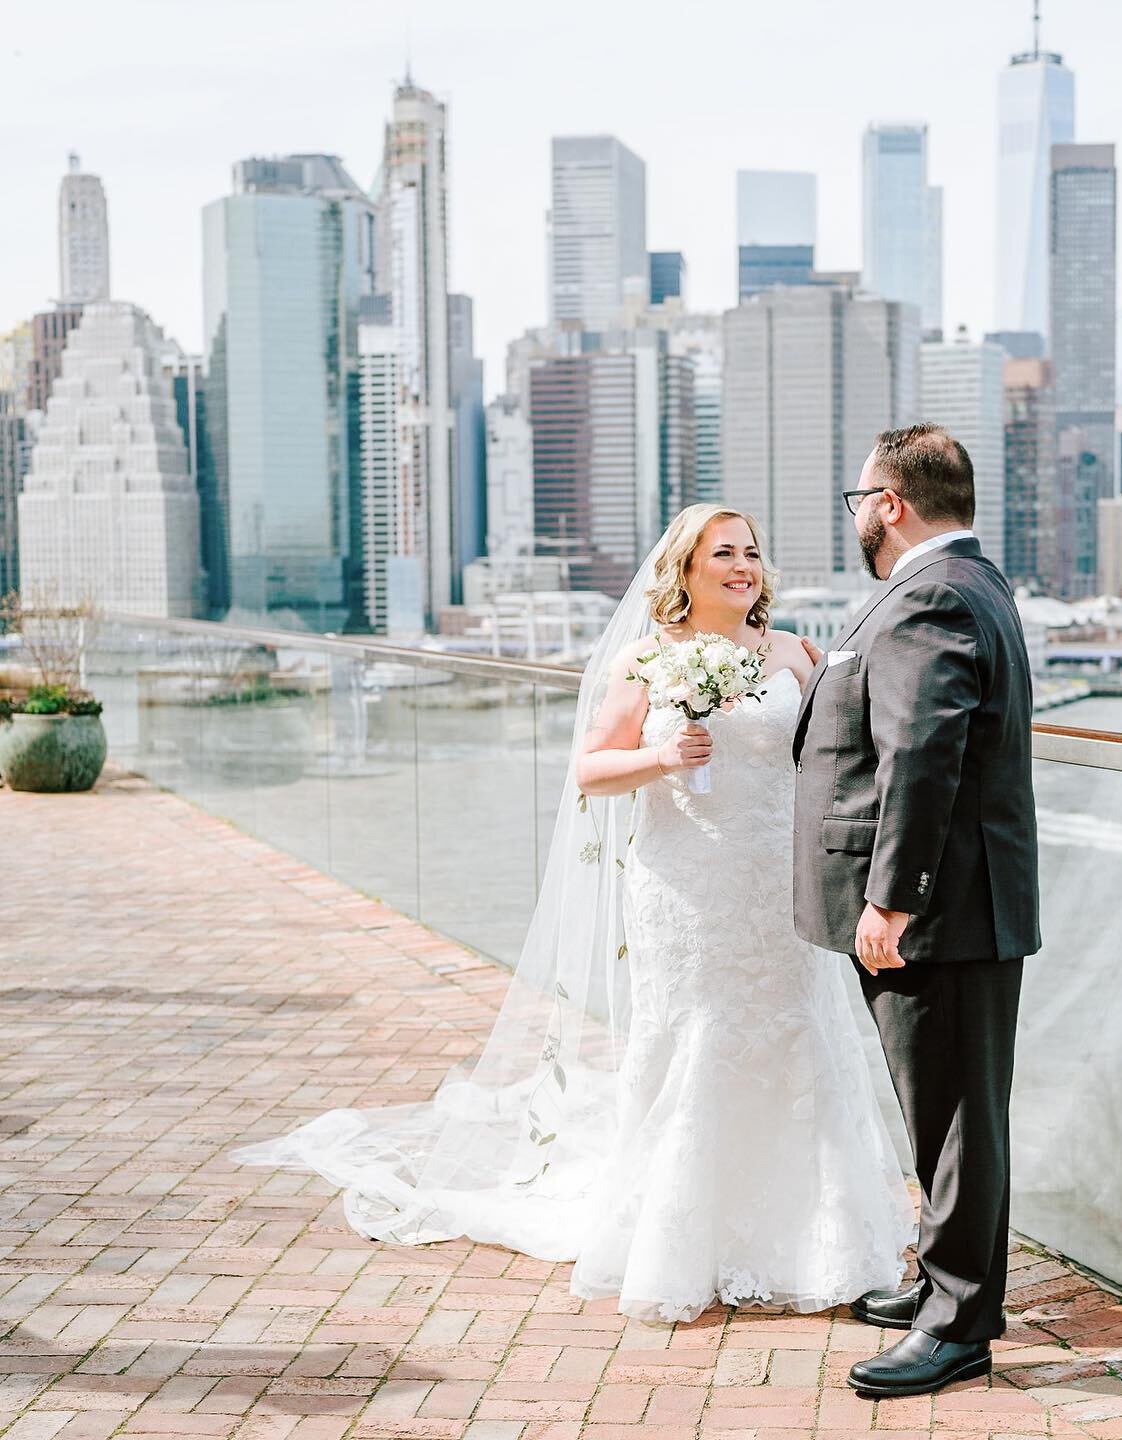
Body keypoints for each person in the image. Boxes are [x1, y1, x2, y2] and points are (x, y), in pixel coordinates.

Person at [233, 503, 913, 1325]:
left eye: (753, 553)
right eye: (723, 553)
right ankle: (680, 1240)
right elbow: (591, 770)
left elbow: (838, 761)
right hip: (688, 887)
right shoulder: (646, 658)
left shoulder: (798, 655)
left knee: (798, 1034)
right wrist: (664, 755)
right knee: (695, 1041)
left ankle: (816, 1238)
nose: (743, 566)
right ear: (686, 572)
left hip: (777, 883)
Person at [792, 424, 1041, 1399]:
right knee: (954, 1113)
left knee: (953, 1119)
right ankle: (951, 1288)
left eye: (859, 500)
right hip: (966, 903)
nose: (857, 517)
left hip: (938, 912)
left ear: (890, 503)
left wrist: (892, 898)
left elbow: (923, 756)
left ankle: (958, 1325)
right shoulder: (972, 583)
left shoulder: (929, 594)